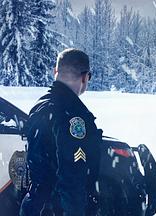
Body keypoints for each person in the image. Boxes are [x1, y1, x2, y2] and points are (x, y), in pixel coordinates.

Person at [20, 48, 103, 216]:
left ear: (55, 72)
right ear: (85, 77)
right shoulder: (73, 116)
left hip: (33, 203)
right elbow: (72, 178)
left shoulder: (41, 105)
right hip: (56, 208)